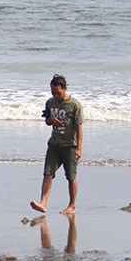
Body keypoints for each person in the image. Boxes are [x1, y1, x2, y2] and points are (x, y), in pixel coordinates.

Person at [30, 74, 84, 215]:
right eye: (53, 92)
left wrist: (79, 149)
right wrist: (50, 120)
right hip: (54, 145)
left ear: (65, 89)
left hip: (69, 146)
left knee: (71, 176)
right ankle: (43, 203)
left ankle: (72, 205)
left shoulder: (74, 105)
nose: (56, 95)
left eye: (58, 92)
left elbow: (79, 128)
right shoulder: (50, 102)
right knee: (48, 173)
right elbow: (46, 120)